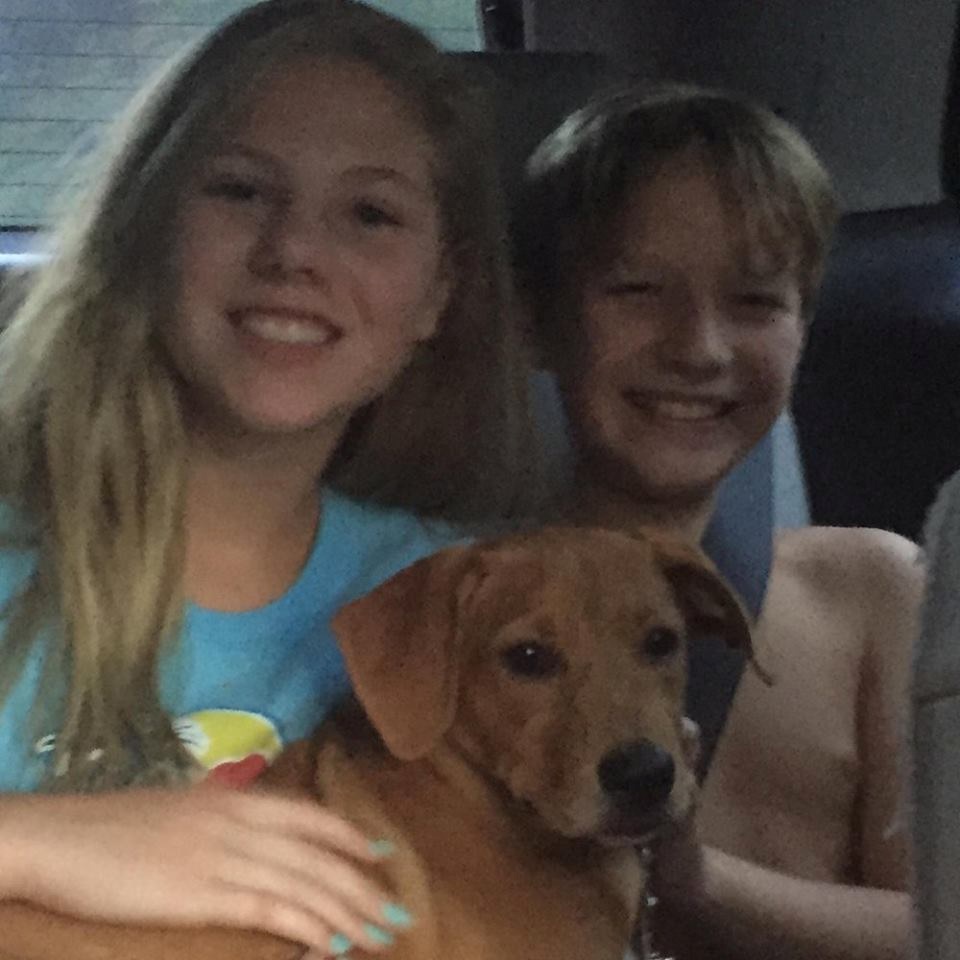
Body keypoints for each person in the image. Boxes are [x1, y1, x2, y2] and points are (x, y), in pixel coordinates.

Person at [0, 1, 539, 956]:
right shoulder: (15, 560)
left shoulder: (473, 607)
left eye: (369, 214)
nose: (293, 251)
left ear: (439, 293)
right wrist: (32, 841)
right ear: (148, 227)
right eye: (241, 191)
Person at [516, 83, 921, 960]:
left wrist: (695, 877)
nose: (698, 347)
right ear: (538, 320)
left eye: (755, 301)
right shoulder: (471, 607)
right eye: (637, 290)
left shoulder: (869, 594)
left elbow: (941, 923)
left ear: (805, 327)